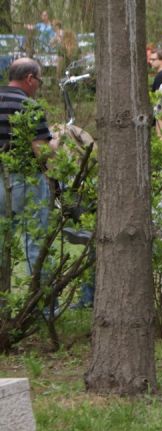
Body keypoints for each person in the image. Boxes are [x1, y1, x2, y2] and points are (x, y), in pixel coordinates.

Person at [0, 59, 53, 283]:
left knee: (3, 242)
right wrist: (56, 145)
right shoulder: (29, 106)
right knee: (35, 240)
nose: (38, 86)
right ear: (30, 78)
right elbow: (41, 151)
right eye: (39, 81)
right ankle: (41, 302)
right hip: (25, 180)